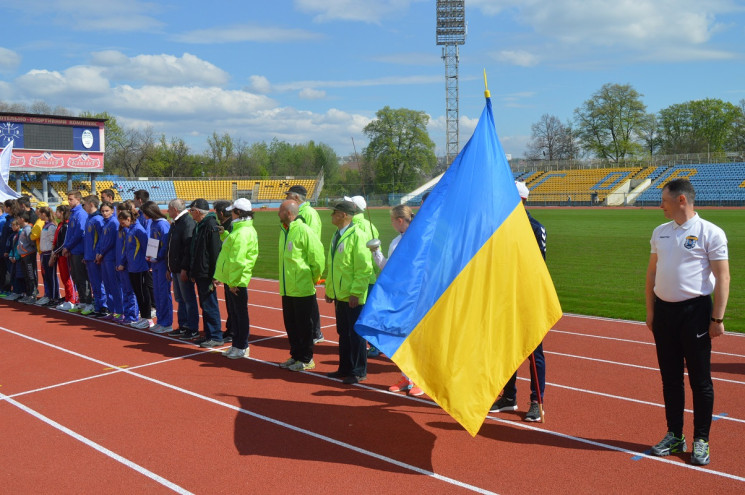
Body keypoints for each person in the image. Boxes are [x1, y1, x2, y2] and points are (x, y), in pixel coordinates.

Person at [646, 178, 730, 466]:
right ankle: (675, 434)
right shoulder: (660, 232)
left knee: (700, 380)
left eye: (665, 202)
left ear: (682, 200)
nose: (661, 206)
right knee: (670, 379)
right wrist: (650, 311)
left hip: (695, 313)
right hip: (664, 314)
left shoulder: (711, 232)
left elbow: (723, 278)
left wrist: (717, 318)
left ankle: (701, 439)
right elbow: (651, 275)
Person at [489, 181, 548, 422]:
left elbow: (538, 266)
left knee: (534, 352)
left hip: (528, 296)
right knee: (507, 349)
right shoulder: (500, 228)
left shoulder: (534, 228)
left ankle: (537, 402)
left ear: (520, 200)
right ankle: (509, 396)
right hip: (505, 297)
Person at [369, 205, 423, 396]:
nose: (391, 223)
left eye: (392, 220)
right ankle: (405, 377)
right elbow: (388, 269)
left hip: (418, 297)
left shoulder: (421, 238)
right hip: (400, 297)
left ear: (399, 220)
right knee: (401, 338)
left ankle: (420, 379)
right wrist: (376, 252)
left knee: (416, 339)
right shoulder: (394, 242)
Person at [324, 200, 374, 384]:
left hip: (352, 296)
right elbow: (334, 266)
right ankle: (344, 367)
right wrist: (330, 290)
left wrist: (356, 292)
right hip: (340, 295)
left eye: (334, 212)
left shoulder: (358, 236)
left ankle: (359, 370)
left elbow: (363, 268)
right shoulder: (336, 235)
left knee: (356, 335)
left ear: (344, 215)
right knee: (343, 333)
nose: (331, 215)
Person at [277, 199, 325, 371]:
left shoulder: (303, 230)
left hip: (302, 288)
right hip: (287, 288)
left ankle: (306, 359)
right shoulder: (284, 230)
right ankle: (295, 355)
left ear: (289, 213)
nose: (278, 212)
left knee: (304, 326)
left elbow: (317, 257)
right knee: (291, 325)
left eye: (281, 210)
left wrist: (313, 277)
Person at [213, 198, 259, 359]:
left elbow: (239, 260)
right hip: (234, 279)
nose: (230, 214)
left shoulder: (242, 232)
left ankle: (242, 345)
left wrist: (233, 282)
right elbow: (232, 251)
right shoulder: (240, 230)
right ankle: (237, 344)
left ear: (238, 213)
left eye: (232, 211)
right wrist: (224, 234)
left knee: (239, 314)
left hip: (237, 280)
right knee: (236, 313)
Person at [285, 184, 324, 344]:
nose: (286, 198)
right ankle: (312, 332)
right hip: (297, 266)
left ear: (295, 197)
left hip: (305, 265)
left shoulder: (309, 213)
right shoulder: (301, 212)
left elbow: (312, 240)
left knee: (309, 301)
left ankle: (315, 332)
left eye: (288, 196)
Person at [187, 199, 223, 348]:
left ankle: (215, 336)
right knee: (205, 304)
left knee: (210, 304)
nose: (190, 213)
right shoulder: (200, 225)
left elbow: (215, 252)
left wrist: (216, 274)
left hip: (207, 273)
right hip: (201, 271)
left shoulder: (210, 225)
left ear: (198, 211)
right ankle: (209, 335)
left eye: (191, 210)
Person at [165, 199, 199, 339]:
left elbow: (187, 248)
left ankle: (192, 328)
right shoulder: (177, 223)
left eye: (169, 209)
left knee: (188, 299)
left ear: (175, 209)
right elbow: (171, 248)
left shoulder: (187, 223)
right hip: (175, 268)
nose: (167, 211)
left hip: (182, 268)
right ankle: (183, 325)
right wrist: (169, 267)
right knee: (180, 299)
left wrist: (185, 268)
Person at [140, 201, 172, 334]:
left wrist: (157, 256)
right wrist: (150, 256)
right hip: (155, 262)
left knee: (164, 293)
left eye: (144, 212)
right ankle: (160, 321)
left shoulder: (163, 224)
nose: (143, 215)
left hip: (162, 262)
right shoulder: (152, 223)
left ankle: (167, 323)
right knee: (157, 293)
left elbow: (165, 244)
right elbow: (152, 242)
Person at [118, 208, 153, 329]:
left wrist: (150, 265)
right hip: (132, 267)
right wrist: (122, 262)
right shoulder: (130, 230)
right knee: (138, 293)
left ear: (129, 219)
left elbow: (147, 246)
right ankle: (143, 318)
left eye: (123, 223)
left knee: (143, 294)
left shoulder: (138, 230)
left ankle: (148, 319)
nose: (122, 226)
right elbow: (128, 249)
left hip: (140, 267)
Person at [62, 190, 92, 313]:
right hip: (73, 250)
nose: (69, 202)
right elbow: (70, 233)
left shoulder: (81, 214)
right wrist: (67, 246)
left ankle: (88, 302)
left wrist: (68, 246)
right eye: (68, 199)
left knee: (82, 276)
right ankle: (82, 300)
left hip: (79, 250)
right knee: (76, 276)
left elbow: (79, 233)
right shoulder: (73, 213)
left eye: (71, 199)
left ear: (78, 200)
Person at [95, 201, 121, 320]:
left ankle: (119, 311)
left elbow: (111, 242)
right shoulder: (105, 223)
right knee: (107, 285)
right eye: (103, 211)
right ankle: (111, 310)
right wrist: (98, 253)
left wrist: (102, 253)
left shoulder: (114, 223)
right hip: (104, 258)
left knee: (114, 285)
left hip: (110, 258)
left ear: (112, 211)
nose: (105, 213)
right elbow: (101, 240)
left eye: (107, 211)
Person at [214, 199, 235, 343]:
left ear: (221, 213)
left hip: (231, 270)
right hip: (226, 269)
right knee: (229, 303)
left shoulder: (231, 226)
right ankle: (230, 329)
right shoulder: (225, 224)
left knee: (234, 304)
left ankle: (234, 331)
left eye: (216, 212)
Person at [82, 195, 107, 317]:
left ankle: (103, 307)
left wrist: (98, 253)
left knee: (98, 282)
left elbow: (102, 239)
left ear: (91, 204)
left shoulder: (98, 219)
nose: (83, 206)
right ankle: (98, 305)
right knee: (94, 283)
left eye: (85, 204)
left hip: (95, 256)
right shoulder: (89, 218)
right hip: (89, 256)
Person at [53, 204, 77, 310]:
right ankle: (68, 298)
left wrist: (55, 252)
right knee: (64, 277)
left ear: (62, 213)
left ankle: (72, 300)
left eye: (57, 211)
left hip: (64, 255)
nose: (55, 213)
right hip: (60, 255)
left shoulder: (66, 226)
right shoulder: (61, 224)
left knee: (68, 278)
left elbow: (64, 242)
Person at [35, 205, 59, 306]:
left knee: (51, 276)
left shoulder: (51, 226)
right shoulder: (46, 225)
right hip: (44, 253)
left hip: (49, 253)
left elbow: (53, 242)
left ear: (44, 214)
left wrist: (52, 256)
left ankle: (54, 297)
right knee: (46, 276)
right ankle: (49, 295)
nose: (39, 215)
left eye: (40, 213)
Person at [15, 211, 38, 304]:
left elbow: (32, 242)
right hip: (24, 255)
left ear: (22, 219)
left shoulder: (28, 229)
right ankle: (29, 294)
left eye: (18, 218)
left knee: (30, 275)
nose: (17, 220)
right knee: (26, 276)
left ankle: (33, 295)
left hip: (28, 255)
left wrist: (29, 250)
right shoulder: (24, 228)